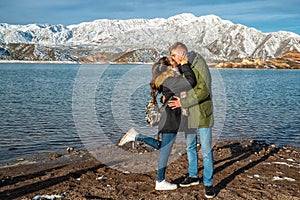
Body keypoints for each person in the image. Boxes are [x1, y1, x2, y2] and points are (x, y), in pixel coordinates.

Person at [118, 56, 196, 190]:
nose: (175, 63)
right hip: (170, 119)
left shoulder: (166, 79)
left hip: (169, 118)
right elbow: (191, 82)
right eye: (173, 62)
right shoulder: (171, 79)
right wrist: (185, 64)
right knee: (165, 150)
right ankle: (160, 181)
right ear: (168, 68)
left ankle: (135, 136)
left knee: (163, 147)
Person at [168, 42, 216, 198]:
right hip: (188, 114)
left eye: (173, 55)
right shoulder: (183, 67)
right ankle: (193, 175)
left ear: (181, 54)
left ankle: (208, 183)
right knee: (189, 146)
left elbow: (204, 90)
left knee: (206, 150)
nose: (172, 58)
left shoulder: (199, 64)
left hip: (202, 113)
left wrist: (183, 102)